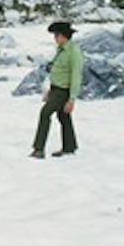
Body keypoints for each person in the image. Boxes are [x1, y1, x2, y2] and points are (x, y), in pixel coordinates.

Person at [30, 21, 84, 159]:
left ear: (64, 36)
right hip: (56, 89)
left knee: (45, 113)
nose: (55, 38)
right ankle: (69, 147)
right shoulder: (61, 50)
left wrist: (71, 100)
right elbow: (57, 71)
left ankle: (39, 149)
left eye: (57, 35)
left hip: (63, 91)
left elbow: (76, 76)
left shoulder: (74, 52)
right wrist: (49, 90)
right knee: (63, 117)